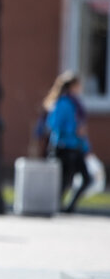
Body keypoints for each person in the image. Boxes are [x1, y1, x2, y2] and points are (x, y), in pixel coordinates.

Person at [43, 71, 92, 213]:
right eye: (78, 85)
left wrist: (87, 148)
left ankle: (68, 207)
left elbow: (82, 128)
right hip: (64, 146)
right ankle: (57, 206)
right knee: (64, 181)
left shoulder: (76, 103)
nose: (80, 88)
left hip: (76, 146)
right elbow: (54, 125)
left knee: (85, 178)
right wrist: (74, 129)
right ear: (72, 86)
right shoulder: (62, 103)